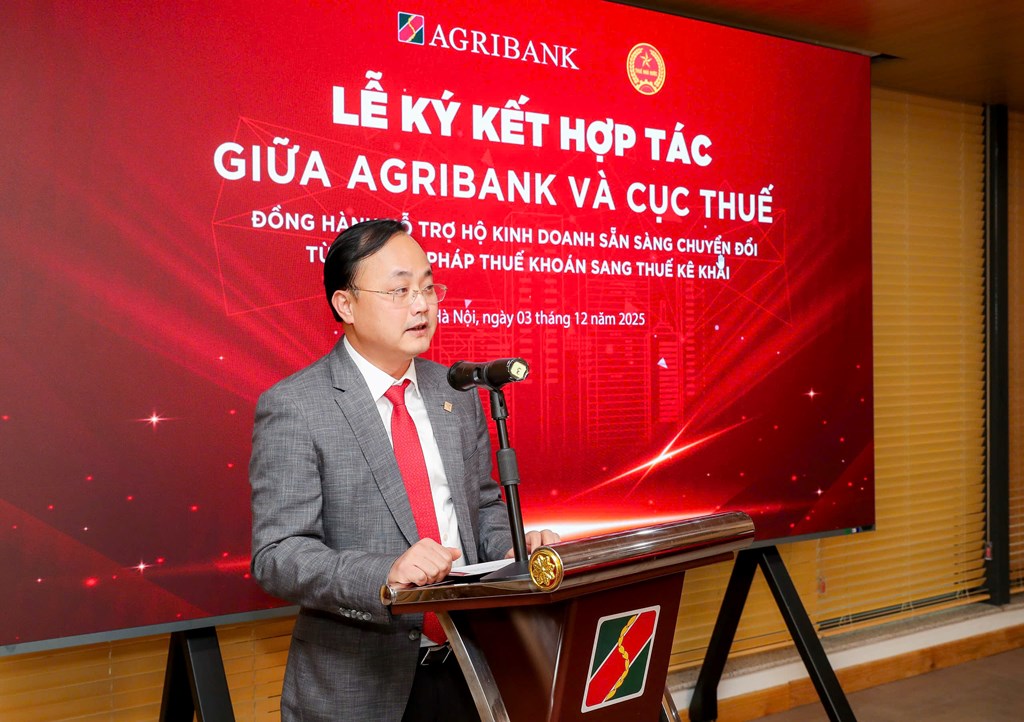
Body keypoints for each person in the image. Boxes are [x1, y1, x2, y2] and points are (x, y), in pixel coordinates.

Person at [249, 218, 558, 721]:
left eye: (428, 288)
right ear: (345, 305)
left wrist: (511, 549)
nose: (421, 305)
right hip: (361, 685)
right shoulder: (297, 406)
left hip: (471, 666)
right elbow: (278, 554)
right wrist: (384, 574)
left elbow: (482, 507)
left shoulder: (455, 391)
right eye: (399, 291)